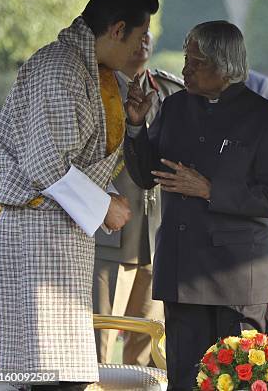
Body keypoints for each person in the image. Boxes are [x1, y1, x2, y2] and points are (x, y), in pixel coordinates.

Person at [0, 0, 158, 390]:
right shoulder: (60, 67)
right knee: (50, 376)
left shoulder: (90, 68)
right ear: (117, 29)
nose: (143, 47)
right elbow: (46, 164)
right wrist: (105, 206)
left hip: (58, 233)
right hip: (37, 233)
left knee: (65, 375)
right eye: (140, 37)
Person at [123, 20, 268, 390]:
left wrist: (210, 190)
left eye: (196, 62)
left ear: (225, 67)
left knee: (246, 381)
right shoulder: (175, 107)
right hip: (183, 273)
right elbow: (146, 176)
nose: (185, 70)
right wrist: (135, 127)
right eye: (186, 59)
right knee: (185, 380)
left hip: (238, 283)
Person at [93, 30, 183, 365]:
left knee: (148, 346)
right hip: (111, 234)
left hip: (158, 235)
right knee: (98, 343)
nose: (143, 39)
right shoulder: (94, 90)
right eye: (135, 31)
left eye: (148, 31)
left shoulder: (171, 91)